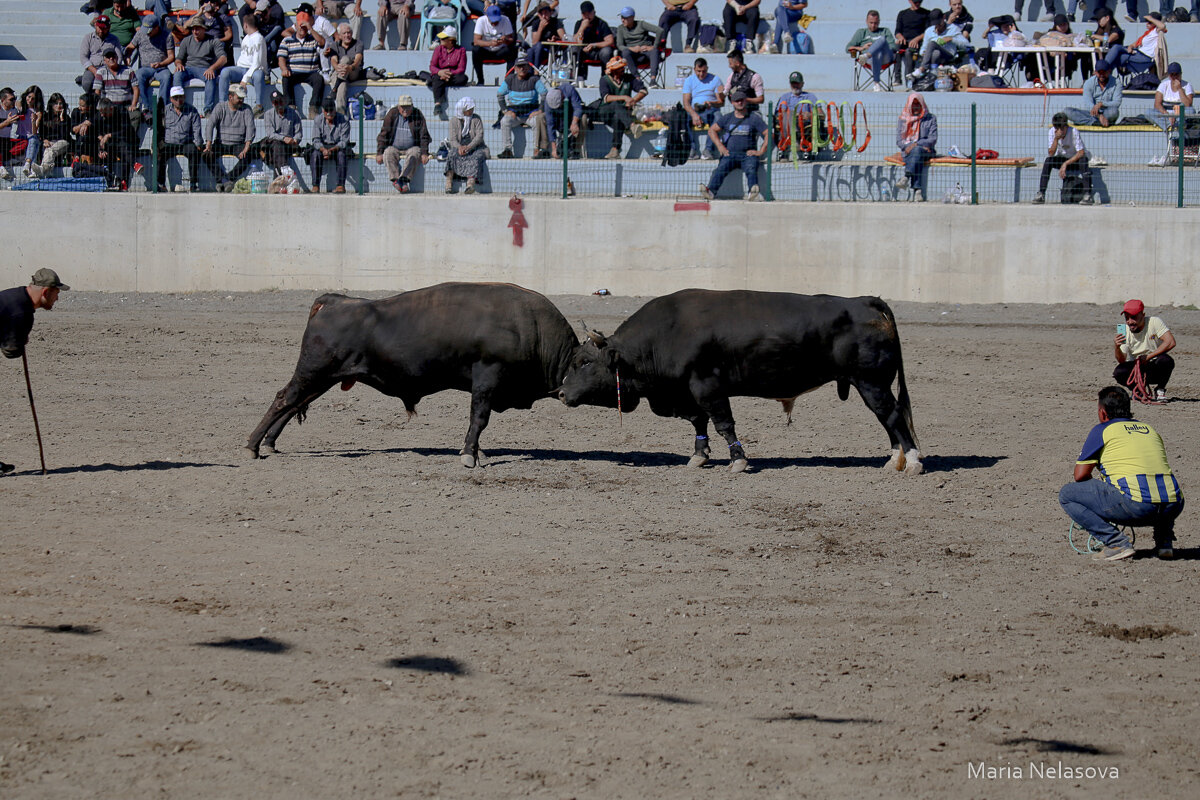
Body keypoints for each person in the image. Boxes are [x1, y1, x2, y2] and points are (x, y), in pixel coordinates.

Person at [1059, 386, 1183, 561]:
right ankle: (1165, 543)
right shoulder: (1149, 429)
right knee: (1157, 487)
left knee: (1067, 494)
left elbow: (1080, 475)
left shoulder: (1102, 430)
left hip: (1137, 507)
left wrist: (1103, 492)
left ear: (1102, 413)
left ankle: (1116, 543)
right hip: (1174, 504)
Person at [0, 269, 69, 475]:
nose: (57, 299)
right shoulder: (22, 312)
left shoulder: (15, 295)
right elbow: (11, 351)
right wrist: (20, 341)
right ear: (46, 292)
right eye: (57, 294)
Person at [699, 89, 766, 201]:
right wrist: (720, 146)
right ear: (732, 102)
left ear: (746, 101)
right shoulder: (727, 118)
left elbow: (767, 133)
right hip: (730, 153)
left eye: (742, 100)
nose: (739, 102)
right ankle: (710, 192)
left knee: (751, 168)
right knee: (720, 169)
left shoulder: (754, 118)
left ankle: (753, 193)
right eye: (737, 100)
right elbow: (712, 130)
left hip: (747, 154)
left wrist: (761, 151)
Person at [1113, 299, 1176, 402]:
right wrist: (1117, 347)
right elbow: (1122, 360)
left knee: (1166, 360)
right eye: (1127, 318)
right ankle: (1137, 389)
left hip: (1155, 365)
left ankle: (1160, 389)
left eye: (1133, 317)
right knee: (1119, 372)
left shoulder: (1154, 322)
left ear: (1143, 315)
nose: (1130, 322)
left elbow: (1170, 342)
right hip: (1138, 368)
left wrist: (1149, 357)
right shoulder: (1124, 331)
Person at [586, 55, 645, 159]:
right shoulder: (604, 80)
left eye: (623, 68)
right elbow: (606, 98)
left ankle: (615, 150)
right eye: (619, 69)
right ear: (613, 71)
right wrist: (624, 97)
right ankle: (631, 126)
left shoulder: (628, 78)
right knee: (615, 105)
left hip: (621, 113)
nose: (622, 70)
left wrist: (633, 101)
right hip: (605, 111)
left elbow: (643, 90)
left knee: (618, 118)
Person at [202, 83, 256, 191]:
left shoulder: (247, 109)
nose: (241, 100)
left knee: (249, 154)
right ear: (230, 97)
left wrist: (246, 147)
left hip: (238, 144)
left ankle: (228, 179)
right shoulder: (220, 107)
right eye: (239, 98)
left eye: (242, 98)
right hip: (221, 143)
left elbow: (251, 128)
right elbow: (210, 125)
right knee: (206, 154)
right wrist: (208, 143)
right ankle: (222, 179)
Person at [1032, 112, 1093, 204]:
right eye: (1057, 128)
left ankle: (1087, 195)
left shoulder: (1073, 132)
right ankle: (1041, 193)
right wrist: (1056, 139)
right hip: (1063, 158)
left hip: (1075, 160)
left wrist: (1065, 164)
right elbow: (1051, 153)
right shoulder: (1052, 132)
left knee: (1083, 160)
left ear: (1066, 127)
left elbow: (1081, 153)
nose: (1059, 131)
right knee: (1048, 161)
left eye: (1061, 128)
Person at [375, 94, 430, 193]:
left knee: (415, 153)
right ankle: (396, 179)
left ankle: (403, 179)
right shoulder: (392, 113)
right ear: (398, 107)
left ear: (412, 106)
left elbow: (424, 135)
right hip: (394, 146)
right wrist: (379, 153)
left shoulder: (418, 114)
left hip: (412, 146)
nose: (405, 110)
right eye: (403, 107)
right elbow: (384, 133)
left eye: (408, 107)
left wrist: (425, 153)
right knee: (388, 153)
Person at [173, 16, 228, 115]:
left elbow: (223, 58)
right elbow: (178, 58)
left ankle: (208, 109)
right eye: (193, 29)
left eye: (197, 28)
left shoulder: (212, 40)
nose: (195, 31)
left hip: (204, 68)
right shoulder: (186, 40)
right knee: (177, 75)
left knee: (211, 76)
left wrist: (212, 68)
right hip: (188, 68)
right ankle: (178, 105)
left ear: (204, 29)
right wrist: (179, 64)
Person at [496, 57, 546, 158]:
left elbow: (545, 94)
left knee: (538, 121)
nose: (522, 69)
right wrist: (505, 110)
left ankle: (537, 149)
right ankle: (507, 150)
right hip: (514, 114)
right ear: (515, 68)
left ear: (528, 67)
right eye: (519, 66)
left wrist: (540, 110)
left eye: (524, 66)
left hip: (531, 113)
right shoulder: (510, 79)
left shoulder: (534, 79)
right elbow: (500, 94)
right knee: (505, 121)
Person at [219, 14, 268, 115]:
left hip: (255, 70)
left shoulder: (259, 38)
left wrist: (244, 80)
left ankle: (259, 106)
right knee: (225, 72)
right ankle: (222, 104)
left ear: (245, 25)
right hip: (240, 68)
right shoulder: (246, 38)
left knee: (259, 75)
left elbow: (256, 63)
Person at [278, 13, 325, 118]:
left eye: (305, 27)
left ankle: (313, 108)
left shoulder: (312, 39)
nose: (302, 29)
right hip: (294, 71)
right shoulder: (287, 40)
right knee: (286, 79)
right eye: (300, 26)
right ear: (296, 25)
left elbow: (322, 42)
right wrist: (284, 69)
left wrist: (310, 29)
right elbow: (281, 58)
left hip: (311, 72)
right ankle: (291, 106)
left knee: (319, 79)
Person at [157, 84, 203, 190]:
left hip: (185, 143)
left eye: (181, 97)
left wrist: (198, 144)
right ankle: (160, 184)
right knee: (160, 155)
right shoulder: (165, 110)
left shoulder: (192, 110)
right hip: (169, 143)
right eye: (175, 98)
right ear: (171, 99)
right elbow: (159, 129)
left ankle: (193, 184)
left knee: (194, 152)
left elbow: (197, 129)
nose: (179, 100)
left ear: (184, 97)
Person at [128, 15, 175, 116]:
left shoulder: (167, 36)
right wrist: (128, 55)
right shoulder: (140, 34)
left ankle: (163, 107)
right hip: (145, 68)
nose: (147, 33)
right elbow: (131, 46)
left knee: (167, 77)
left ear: (156, 27)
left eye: (149, 31)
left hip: (161, 68)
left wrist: (161, 64)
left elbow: (171, 56)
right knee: (138, 75)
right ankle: (145, 105)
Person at [894, 91, 937, 201]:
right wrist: (908, 147)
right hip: (908, 151)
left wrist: (916, 144)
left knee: (917, 150)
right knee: (916, 154)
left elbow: (933, 139)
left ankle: (906, 177)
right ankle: (917, 190)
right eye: (914, 105)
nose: (916, 107)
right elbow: (899, 140)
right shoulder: (903, 119)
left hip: (926, 151)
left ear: (922, 105)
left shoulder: (930, 118)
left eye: (918, 105)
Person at [1148, 61, 1193, 157]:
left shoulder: (1187, 86)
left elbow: (1188, 104)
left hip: (1180, 114)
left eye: (1176, 74)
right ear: (1169, 75)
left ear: (1180, 75)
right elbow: (1157, 104)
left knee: (1191, 111)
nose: (1174, 77)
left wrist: (1180, 89)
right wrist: (1167, 115)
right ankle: (1170, 126)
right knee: (1149, 112)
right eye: (1172, 75)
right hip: (1166, 113)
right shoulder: (1164, 85)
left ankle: (1176, 125)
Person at [682, 56, 723, 158]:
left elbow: (721, 102)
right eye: (698, 71)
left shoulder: (716, 80)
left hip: (710, 110)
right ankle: (691, 148)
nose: (701, 74)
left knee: (718, 117)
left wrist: (711, 103)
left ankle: (708, 149)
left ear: (707, 69)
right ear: (694, 69)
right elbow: (686, 103)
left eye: (703, 71)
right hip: (694, 109)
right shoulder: (689, 81)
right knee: (682, 117)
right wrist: (694, 114)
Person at [846, 10, 897, 92]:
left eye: (876, 23)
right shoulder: (861, 32)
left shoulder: (885, 31)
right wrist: (862, 48)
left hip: (886, 57)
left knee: (882, 40)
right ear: (866, 21)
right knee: (877, 53)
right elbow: (848, 48)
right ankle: (876, 83)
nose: (873, 25)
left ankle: (867, 55)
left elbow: (893, 46)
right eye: (871, 23)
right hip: (871, 60)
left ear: (879, 22)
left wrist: (878, 46)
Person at [445, 95, 488, 193]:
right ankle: (449, 182)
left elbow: (479, 136)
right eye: (469, 109)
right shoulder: (454, 121)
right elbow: (453, 139)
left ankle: (470, 184)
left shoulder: (476, 119)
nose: (471, 111)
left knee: (477, 157)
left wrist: (469, 147)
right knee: (451, 155)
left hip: (475, 147)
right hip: (459, 147)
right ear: (462, 110)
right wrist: (460, 147)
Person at [910, 8, 969, 79]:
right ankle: (933, 74)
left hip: (948, 55)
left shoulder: (953, 29)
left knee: (932, 43)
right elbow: (923, 49)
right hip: (933, 57)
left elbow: (966, 44)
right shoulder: (929, 31)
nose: (937, 26)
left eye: (939, 23)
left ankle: (922, 68)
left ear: (944, 17)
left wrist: (951, 39)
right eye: (935, 24)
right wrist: (924, 53)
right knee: (935, 52)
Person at [774, 70, 818, 160]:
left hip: (804, 123)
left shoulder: (810, 97)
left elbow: (821, 114)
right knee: (786, 117)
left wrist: (810, 114)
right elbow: (781, 112)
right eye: (793, 83)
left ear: (802, 84)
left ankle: (795, 142)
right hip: (789, 122)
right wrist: (795, 114)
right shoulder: (785, 97)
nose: (795, 86)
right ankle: (792, 142)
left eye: (797, 83)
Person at [1064, 59, 1122, 126]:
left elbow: (1117, 103)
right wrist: (1099, 115)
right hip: (1092, 113)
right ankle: (1095, 122)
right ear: (1095, 72)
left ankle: (1087, 122)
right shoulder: (1088, 83)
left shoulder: (1116, 82)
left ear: (1109, 71)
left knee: (1114, 112)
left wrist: (1101, 104)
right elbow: (1088, 104)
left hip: (1107, 113)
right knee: (1067, 111)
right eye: (1099, 72)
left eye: (1104, 72)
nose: (1101, 75)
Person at [1105, 12, 1164, 77]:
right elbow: (1134, 44)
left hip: (1145, 57)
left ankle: (1103, 70)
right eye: (1146, 21)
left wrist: (1151, 18)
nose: (1147, 23)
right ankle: (1104, 70)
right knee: (1116, 48)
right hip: (1137, 52)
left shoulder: (1156, 32)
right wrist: (1130, 47)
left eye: (1149, 22)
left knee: (1118, 57)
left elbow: (1162, 26)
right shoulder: (1147, 34)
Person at [258, 89, 303, 175]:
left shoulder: (294, 113)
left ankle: (280, 177)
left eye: (280, 101)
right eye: (276, 102)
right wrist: (283, 138)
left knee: (278, 149)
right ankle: (284, 170)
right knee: (277, 145)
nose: (279, 104)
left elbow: (299, 132)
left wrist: (295, 140)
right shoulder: (268, 114)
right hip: (276, 144)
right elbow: (270, 134)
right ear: (273, 104)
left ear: (284, 100)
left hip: (290, 144)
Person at [309, 98, 349, 192]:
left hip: (337, 147)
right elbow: (316, 140)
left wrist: (331, 150)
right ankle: (315, 185)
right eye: (327, 110)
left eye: (331, 110)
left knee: (342, 155)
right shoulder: (318, 120)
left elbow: (344, 141)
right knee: (315, 155)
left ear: (335, 109)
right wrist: (323, 150)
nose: (329, 113)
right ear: (323, 110)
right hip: (322, 146)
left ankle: (340, 185)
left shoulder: (344, 120)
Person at [615, 7, 663, 87]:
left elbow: (659, 30)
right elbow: (620, 45)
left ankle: (653, 80)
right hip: (633, 54)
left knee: (655, 51)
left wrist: (654, 46)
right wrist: (632, 49)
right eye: (622, 18)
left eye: (625, 18)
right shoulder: (621, 28)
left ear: (632, 18)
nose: (623, 20)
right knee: (625, 52)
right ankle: (637, 79)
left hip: (645, 51)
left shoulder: (641, 24)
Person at [94, 49, 142, 127]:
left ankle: (130, 137)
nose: (111, 59)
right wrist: (99, 106)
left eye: (113, 56)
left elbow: (136, 89)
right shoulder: (100, 72)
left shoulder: (129, 71)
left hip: (125, 105)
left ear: (117, 57)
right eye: (108, 57)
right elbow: (97, 92)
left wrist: (133, 104)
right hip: (109, 106)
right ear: (104, 60)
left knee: (136, 114)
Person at [534, 81, 582, 158]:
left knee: (583, 118)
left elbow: (578, 108)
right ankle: (544, 149)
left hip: (570, 117)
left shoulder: (569, 89)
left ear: (562, 98)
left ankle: (575, 150)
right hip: (557, 119)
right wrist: (554, 148)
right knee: (541, 117)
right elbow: (550, 125)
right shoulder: (548, 100)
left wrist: (574, 122)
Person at [80, 15, 125, 97]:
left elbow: (119, 57)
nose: (101, 31)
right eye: (99, 28)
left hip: (109, 68)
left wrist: (111, 69)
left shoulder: (114, 39)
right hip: (92, 67)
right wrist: (94, 70)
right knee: (87, 83)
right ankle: (92, 102)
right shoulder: (88, 38)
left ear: (108, 28)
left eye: (104, 28)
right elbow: (83, 57)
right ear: (96, 26)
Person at [473, 5, 517, 85]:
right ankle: (480, 80)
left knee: (513, 49)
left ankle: (508, 81)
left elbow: (511, 39)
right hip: (486, 50)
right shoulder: (481, 20)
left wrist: (505, 40)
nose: (494, 23)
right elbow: (476, 41)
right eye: (492, 21)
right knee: (475, 50)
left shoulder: (505, 20)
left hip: (500, 50)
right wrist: (490, 43)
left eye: (496, 21)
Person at [429, 27, 467, 120]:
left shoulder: (461, 50)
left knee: (463, 78)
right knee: (436, 77)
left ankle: (442, 82)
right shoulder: (438, 49)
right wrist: (440, 72)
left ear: (450, 41)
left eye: (443, 38)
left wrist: (448, 73)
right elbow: (432, 66)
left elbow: (461, 69)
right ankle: (437, 103)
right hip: (440, 74)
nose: (440, 40)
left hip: (453, 76)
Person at [328, 22, 365, 115]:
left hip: (353, 71)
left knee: (345, 59)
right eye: (344, 33)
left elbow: (358, 60)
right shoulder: (334, 45)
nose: (347, 35)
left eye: (349, 33)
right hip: (340, 73)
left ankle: (334, 88)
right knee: (343, 85)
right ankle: (341, 112)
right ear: (340, 35)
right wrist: (338, 68)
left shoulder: (358, 43)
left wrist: (350, 67)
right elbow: (333, 61)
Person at [33, 93, 73, 178]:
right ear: (51, 105)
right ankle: (46, 169)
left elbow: (65, 136)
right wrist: (45, 140)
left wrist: (62, 120)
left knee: (50, 150)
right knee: (48, 150)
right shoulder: (45, 117)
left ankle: (42, 169)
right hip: (49, 142)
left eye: (60, 103)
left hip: (62, 142)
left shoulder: (66, 118)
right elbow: (42, 133)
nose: (58, 106)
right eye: (56, 103)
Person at [574, 2, 615, 82]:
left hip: (598, 51)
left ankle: (606, 78)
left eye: (589, 13)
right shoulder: (579, 23)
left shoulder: (601, 23)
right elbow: (575, 41)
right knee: (575, 49)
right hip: (584, 52)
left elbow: (610, 41)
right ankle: (579, 77)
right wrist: (582, 28)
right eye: (584, 14)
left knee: (607, 51)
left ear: (594, 13)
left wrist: (595, 45)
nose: (587, 16)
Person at [14, 86, 45, 179]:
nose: (30, 100)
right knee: (34, 142)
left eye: (33, 98)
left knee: (34, 140)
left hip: (31, 136)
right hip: (21, 136)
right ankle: (32, 167)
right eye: (29, 97)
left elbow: (34, 132)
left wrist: (33, 121)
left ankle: (28, 164)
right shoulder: (22, 106)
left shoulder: (38, 112)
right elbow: (16, 102)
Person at [528, 1, 568, 68]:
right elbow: (534, 42)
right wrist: (540, 28)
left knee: (538, 46)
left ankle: (535, 71)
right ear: (538, 15)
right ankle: (531, 74)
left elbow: (564, 38)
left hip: (551, 51)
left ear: (550, 12)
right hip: (538, 51)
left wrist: (556, 39)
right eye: (541, 14)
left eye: (546, 13)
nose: (544, 16)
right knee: (532, 49)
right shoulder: (536, 23)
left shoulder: (555, 22)